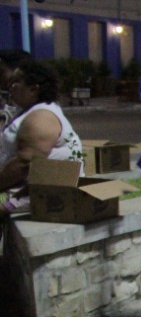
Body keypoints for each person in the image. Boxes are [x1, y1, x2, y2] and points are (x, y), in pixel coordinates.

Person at [0, 60, 85, 217]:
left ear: (33, 89)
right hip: (29, 189)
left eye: (17, 82)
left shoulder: (41, 117)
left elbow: (25, 163)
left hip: (44, 192)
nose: (11, 86)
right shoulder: (33, 110)